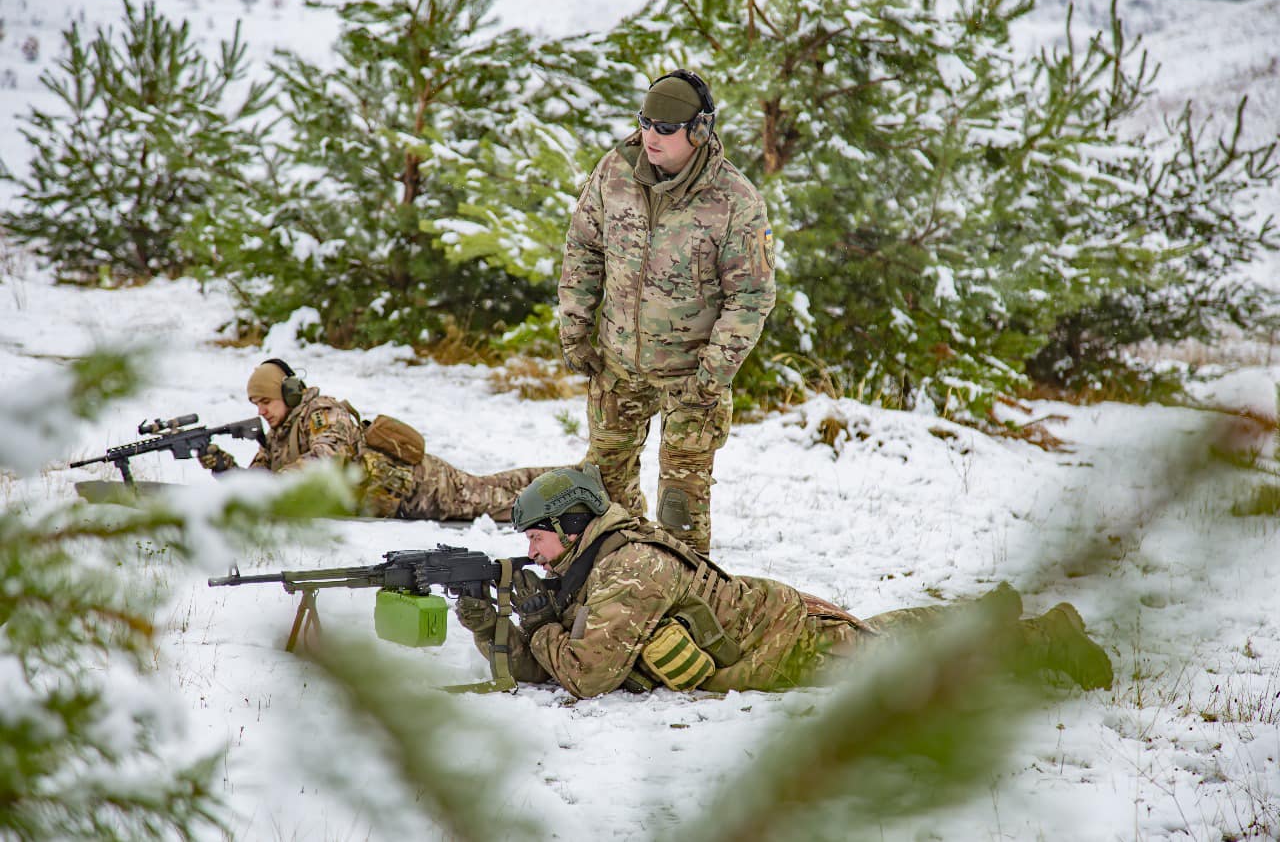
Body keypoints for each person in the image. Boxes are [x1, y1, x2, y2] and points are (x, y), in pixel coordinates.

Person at [453, 467, 1115, 698]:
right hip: (770, 630)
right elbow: (547, 670)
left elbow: (586, 675)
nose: (531, 551)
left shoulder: (626, 569)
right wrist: (491, 620)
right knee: (885, 637)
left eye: (536, 535)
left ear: (572, 524)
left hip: (786, 641)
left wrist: (537, 623)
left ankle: (1043, 638)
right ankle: (985, 612)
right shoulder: (586, 563)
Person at [558, 69, 777, 555]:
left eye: (665, 128)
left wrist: (711, 377)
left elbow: (751, 298)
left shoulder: (734, 200)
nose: (649, 136)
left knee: (680, 515)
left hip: (691, 381)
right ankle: (616, 596)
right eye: (644, 123)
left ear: (698, 131)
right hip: (618, 368)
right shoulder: (614, 172)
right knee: (604, 503)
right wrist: (575, 329)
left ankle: (683, 609)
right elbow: (584, 248)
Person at [199, 358, 559, 522]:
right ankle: (573, 477)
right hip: (398, 496)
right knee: (498, 485)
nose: (261, 411)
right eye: (255, 405)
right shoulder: (280, 433)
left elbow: (326, 460)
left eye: (266, 401)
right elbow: (259, 485)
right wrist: (223, 467)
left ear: (290, 393)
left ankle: (574, 490)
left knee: (507, 502)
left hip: (422, 489)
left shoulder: (322, 413)